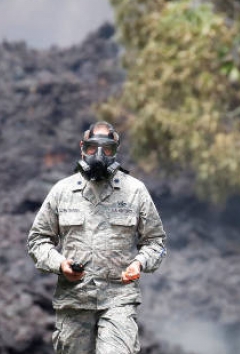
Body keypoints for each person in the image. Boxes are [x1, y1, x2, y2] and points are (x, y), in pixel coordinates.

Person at [27, 121, 167, 354]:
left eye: (107, 149)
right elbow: (38, 240)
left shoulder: (135, 191)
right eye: (92, 148)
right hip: (74, 301)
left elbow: (156, 242)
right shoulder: (62, 191)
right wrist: (61, 264)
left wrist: (139, 263)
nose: (99, 155)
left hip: (118, 300)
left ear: (116, 151)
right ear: (82, 147)